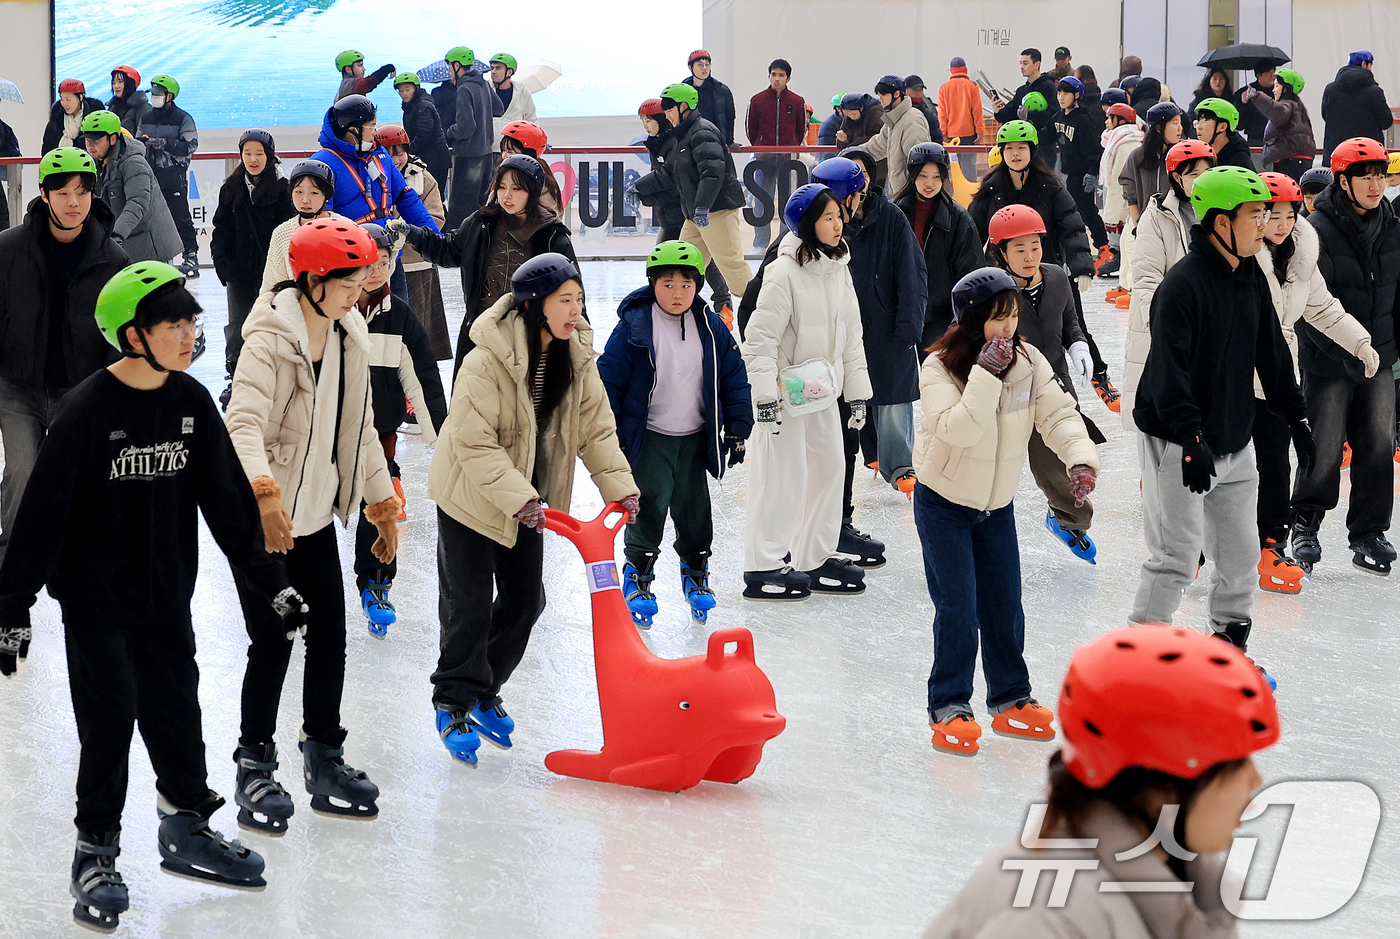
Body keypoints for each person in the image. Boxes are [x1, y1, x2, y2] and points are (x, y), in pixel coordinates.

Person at [0, 263, 292, 930]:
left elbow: (229, 506)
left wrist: (270, 582)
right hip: (96, 600)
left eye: (192, 322)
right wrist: (12, 603)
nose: (190, 335)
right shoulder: (85, 411)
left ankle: (185, 825)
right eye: (174, 325)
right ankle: (95, 851)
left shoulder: (192, 403)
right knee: (110, 718)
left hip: (165, 597)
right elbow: (42, 512)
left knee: (176, 708)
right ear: (135, 335)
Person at [924, 625, 1278, 935]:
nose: (1255, 782)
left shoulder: (1192, 888)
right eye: (1236, 764)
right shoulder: (1046, 916)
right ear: (1160, 784)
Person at [224, 217, 401, 831]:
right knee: (273, 640)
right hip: (266, 525)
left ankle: (323, 754)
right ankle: (253, 764)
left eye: (361, 282)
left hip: (318, 519)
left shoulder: (350, 335)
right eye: (347, 283)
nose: (358, 293)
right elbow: (242, 424)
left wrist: (383, 506)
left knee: (329, 637)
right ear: (312, 280)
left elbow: (362, 432)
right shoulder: (268, 340)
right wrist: (264, 496)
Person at [429, 254, 638, 765]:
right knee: (469, 606)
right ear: (533, 305)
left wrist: (620, 488)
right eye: (565, 300)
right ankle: (452, 700)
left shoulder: (576, 357)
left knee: (526, 601)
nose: (575, 310)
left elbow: (596, 429)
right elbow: (473, 442)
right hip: (470, 497)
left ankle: (483, 689)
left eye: (579, 300)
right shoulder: (486, 360)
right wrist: (520, 497)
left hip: (527, 499)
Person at [1130, 166, 1313, 687]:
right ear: (1220, 222)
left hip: (1234, 438)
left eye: (1267, 213)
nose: (1265, 224)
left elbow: (1271, 353)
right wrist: (1190, 439)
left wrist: (1296, 416)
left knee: (1240, 556)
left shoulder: (1250, 274)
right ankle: (1140, 657)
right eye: (1255, 214)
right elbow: (1168, 372)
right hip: (1177, 439)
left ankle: (1227, 645)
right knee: (1177, 555)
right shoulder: (1181, 286)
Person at [914, 267, 1097, 756]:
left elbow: (1058, 415)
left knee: (1004, 603)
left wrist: (1080, 459)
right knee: (958, 605)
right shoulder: (938, 367)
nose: (1009, 328)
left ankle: (1011, 697)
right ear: (974, 320)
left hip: (995, 507)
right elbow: (958, 430)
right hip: (944, 503)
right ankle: (949, 703)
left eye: (1013, 316)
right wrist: (985, 375)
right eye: (998, 318)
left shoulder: (1029, 361)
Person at [598, 241, 751, 627]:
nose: (677, 293)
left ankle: (696, 571)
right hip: (650, 435)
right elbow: (608, 380)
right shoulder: (635, 325)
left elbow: (733, 374)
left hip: (696, 437)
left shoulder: (710, 326)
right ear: (653, 284)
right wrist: (608, 433)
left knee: (694, 508)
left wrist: (737, 427)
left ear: (698, 286)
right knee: (648, 506)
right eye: (668, 284)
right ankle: (637, 574)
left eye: (686, 285)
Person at [741, 185, 872, 600]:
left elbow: (852, 336)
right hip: (784, 396)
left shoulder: (839, 268)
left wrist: (856, 392)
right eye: (827, 218)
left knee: (831, 468)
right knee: (784, 477)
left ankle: (813, 556)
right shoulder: (783, 272)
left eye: (838, 216)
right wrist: (764, 397)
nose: (837, 225)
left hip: (820, 391)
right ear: (807, 224)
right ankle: (763, 563)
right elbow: (759, 340)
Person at [0, 147, 128, 568]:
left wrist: (108, 391)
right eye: (63, 193)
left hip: (80, 390)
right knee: (22, 472)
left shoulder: (112, 259)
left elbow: (120, 335)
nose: (74, 202)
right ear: (44, 194)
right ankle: (13, 567)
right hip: (18, 386)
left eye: (82, 192)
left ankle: (80, 566)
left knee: (79, 479)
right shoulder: (9, 249)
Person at [1252, 171, 1376, 594]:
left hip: (1276, 379)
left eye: (1289, 215)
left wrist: (1360, 342)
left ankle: (1271, 546)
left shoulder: (1301, 255)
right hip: (1231, 377)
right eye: (1272, 215)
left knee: (1275, 465)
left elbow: (1323, 308)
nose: (1282, 224)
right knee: (1223, 465)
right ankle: (1194, 547)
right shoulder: (1237, 257)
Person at [1291, 139, 1400, 575]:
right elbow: (1307, 308)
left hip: (1380, 355)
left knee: (1378, 445)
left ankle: (1369, 532)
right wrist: (1345, 352)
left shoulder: (1392, 225)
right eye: (1365, 176)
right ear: (1342, 181)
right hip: (1328, 360)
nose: (1376, 185)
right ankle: (1305, 524)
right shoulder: (1313, 230)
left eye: (1380, 175)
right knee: (1324, 447)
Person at [968, 121, 1117, 410]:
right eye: (1009, 149)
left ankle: (1099, 375)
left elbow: (1071, 224)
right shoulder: (992, 188)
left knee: (1073, 327)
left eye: (1021, 148)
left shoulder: (1049, 186)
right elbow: (972, 233)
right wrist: (975, 275)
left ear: (1032, 151)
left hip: (1049, 273)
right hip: (1005, 279)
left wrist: (1081, 266)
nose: (1015, 154)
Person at [986, 206, 1103, 563]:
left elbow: (1071, 322)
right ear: (1002, 253)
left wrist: (1079, 345)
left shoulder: (1056, 277)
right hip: (1009, 390)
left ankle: (1067, 520)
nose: (1029, 257)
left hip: (1055, 384)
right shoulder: (992, 289)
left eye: (1035, 246)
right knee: (997, 463)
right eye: (1019, 249)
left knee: (1062, 457)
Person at [352, 223, 448, 635]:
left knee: (380, 506)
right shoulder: (333, 310)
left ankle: (376, 583)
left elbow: (424, 381)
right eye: (368, 264)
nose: (376, 272)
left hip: (378, 437)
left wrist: (442, 443)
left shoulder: (401, 318)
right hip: (328, 436)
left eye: (385, 262)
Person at [398, 153, 574, 374]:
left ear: (533, 191)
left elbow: (573, 295)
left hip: (530, 339)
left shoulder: (551, 236)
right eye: (501, 187)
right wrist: (413, 234)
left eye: (517, 188)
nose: (507, 195)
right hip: (480, 334)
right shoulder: (481, 223)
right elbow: (447, 251)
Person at [832, 154, 927, 495]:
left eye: (862, 172)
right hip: (842, 327)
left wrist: (909, 322)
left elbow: (911, 271)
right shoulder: (828, 221)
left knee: (892, 394)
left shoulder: (891, 217)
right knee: (846, 393)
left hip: (885, 323)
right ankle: (862, 456)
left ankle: (900, 464)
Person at [1121, 140, 1216, 430]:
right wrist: (1167, 329)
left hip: (1210, 332)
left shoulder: (1221, 212)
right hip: (1171, 331)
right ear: (1177, 177)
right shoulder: (1157, 216)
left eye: (1208, 173)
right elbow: (1147, 279)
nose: (1202, 180)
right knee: (1167, 420)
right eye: (1194, 174)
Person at [211, 129, 293, 386]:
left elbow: (290, 230)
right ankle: (237, 374)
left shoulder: (283, 189)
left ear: (269, 156)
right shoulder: (231, 188)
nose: (253, 159)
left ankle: (276, 373)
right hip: (240, 273)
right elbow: (221, 229)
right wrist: (223, 266)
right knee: (239, 326)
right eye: (247, 153)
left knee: (275, 323)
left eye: (259, 153)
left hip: (274, 273)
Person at [660, 83, 753, 304]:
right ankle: (679, 307)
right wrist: (640, 187)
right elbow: (672, 172)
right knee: (682, 264)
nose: (666, 115)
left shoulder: (702, 132)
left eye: (669, 109)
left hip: (716, 210)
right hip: (696, 215)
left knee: (731, 264)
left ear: (684, 106)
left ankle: (759, 307)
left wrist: (703, 205)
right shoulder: (684, 134)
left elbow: (712, 172)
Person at [894, 143, 983, 353]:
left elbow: (972, 272)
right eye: (923, 175)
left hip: (942, 316)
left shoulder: (958, 219)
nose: (929, 183)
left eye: (936, 176)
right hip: (902, 310)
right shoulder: (895, 213)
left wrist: (961, 318)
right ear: (912, 175)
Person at [310, 95, 441, 238]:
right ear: (354, 130)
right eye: (371, 126)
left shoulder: (379, 154)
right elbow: (320, 221)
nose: (375, 132)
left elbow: (406, 198)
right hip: (352, 247)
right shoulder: (321, 165)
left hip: (387, 247)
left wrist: (435, 240)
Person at [376, 124, 452, 360]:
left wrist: (408, 234)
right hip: (383, 266)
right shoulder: (371, 178)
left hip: (417, 264)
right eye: (389, 153)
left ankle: (421, 366)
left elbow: (436, 217)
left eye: (400, 153)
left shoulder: (424, 178)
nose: (395, 159)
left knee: (419, 324)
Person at [80, 110, 183, 264]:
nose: (90, 145)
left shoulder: (134, 163)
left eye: (96, 140)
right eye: (87, 140)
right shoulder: (97, 163)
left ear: (113, 139)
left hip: (152, 249)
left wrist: (116, 235)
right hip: (127, 246)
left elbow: (137, 203)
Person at [134, 76, 200, 276]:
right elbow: (136, 142)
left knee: (180, 217)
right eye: (153, 94)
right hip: (150, 176)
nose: (154, 98)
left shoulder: (183, 118)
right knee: (151, 219)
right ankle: (158, 258)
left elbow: (190, 146)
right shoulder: (146, 117)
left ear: (169, 96)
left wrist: (162, 142)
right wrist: (143, 142)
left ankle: (191, 255)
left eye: (158, 94)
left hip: (173, 177)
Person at [745, 59, 807, 250]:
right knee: (762, 200)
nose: (777, 79)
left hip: (788, 160)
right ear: (769, 76)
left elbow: (801, 129)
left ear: (788, 78)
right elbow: (751, 129)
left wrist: (791, 145)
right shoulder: (757, 100)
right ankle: (760, 243)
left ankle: (784, 241)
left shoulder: (797, 101)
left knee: (788, 201)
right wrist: (761, 145)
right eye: (773, 74)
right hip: (764, 159)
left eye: (781, 75)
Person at [1052, 76, 1112, 271]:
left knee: (1087, 212)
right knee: (1069, 213)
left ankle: (1104, 248)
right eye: (1059, 93)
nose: (1061, 97)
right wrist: (1028, 121)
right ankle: (1071, 251)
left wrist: (1092, 172)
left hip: (1082, 174)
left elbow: (1093, 149)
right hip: (1067, 174)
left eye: (1066, 93)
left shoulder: (1083, 119)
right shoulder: (1060, 116)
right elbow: (1045, 134)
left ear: (1076, 95)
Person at [442, 47, 504, 228]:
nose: (449, 70)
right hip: (486, 153)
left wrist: (449, 132)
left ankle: (458, 244)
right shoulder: (482, 83)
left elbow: (466, 127)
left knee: (461, 210)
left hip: (469, 155)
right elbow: (499, 108)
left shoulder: (464, 88)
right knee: (481, 206)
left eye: (449, 65)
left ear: (457, 65)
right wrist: (483, 112)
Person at [261, 159, 335, 291]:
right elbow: (271, 287)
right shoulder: (282, 234)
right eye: (299, 192)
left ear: (326, 195)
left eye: (314, 193)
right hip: (293, 303)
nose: (305, 200)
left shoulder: (345, 229)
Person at [860, 75, 932, 200]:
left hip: (911, 195)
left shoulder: (911, 121)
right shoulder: (894, 120)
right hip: (899, 193)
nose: (880, 100)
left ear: (897, 94)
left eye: (883, 95)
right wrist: (853, 154)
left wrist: (916, 196)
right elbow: (878, 146)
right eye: (879, 95)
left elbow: (920, 162)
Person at [1119, 101, 1185, 231]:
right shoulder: (1138, 156)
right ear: (1159, 128)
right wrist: (1138, 226)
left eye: (1180, 123)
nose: (1180, 128)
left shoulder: (1184, 153)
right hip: (1147, 226)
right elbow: (1130, 194)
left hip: (1178, 226)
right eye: (1175, 123)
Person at [1099, 101, 1144, 291]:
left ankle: (1130, 287)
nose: (1106, 122)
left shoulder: (1125, 143)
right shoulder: (1120, 139)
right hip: (1131, 201)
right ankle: (1126, 285)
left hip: (1130, 203)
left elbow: (1120, 181)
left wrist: (1114, 213)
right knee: (1127, 244)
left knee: (1130, 245)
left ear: (1121, 120)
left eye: (1110, 118)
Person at [1320, 50, 1392, 164]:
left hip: (1337, 152)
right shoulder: (1374, 91)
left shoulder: (1330, 89)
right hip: (1367, 154)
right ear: (1364, 64)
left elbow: (1325, 115)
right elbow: (1386, 121)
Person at [1242, 67, 1315, 181]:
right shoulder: (1296, 106)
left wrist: (1256, 95)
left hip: (1290, 160)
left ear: (1285, 88)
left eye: (1276, 86)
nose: (1273, 90)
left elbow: (1276, 110)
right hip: (1295, 160)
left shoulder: (1287, 105)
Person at [394, 72, 451, 193]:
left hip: (435, 159)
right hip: (426, 158)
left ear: (416, 88)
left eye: (407, 89)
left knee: (433, 195)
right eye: (401, 91)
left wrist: (407, 152)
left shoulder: (423, 106)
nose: (404, 93)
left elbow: (424, 134)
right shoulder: (410, 107)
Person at [498, 120, 564, 212]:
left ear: (527, 154)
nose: (504, 156)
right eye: (503, 150)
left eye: (510, 152)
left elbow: (547, 215)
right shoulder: (503, 174)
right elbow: (490, 208)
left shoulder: (542, 182)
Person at [992, 48, 1058, 141]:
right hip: (1023, 140)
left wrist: (1030, 115)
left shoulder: (1049, 87)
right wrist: (998, 111)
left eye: (1025, 63)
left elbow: (1055, 114)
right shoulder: (1022, 90)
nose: (1022, 67)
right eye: (1020, 63)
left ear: (1037, 64)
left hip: (1043, 141)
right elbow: (1011, 113)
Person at [937, 58, 983, 183]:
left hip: (951, 137)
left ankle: (954, 192)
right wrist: (980, 132)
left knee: (954, 168)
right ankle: (970, 192)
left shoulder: (944, 88)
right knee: (969, 168)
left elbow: (942, 114)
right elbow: (977, 112)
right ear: (965, 69)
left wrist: (943, 133)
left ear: (951, 71)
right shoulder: (972, 86)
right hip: (969, 135)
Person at [683, 50, 737, 147]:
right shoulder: (682, 91)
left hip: (716, 143)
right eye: (700, 65)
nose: (704, 68)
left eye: (707, 64)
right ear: (690, 67)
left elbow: (730, 118)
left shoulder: (722, 90)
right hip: (689, 144)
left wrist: (729, 141)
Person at [489, 53, 536, 155]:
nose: (493, 71)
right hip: (489, 150)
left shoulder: (522, 90)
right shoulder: (486, 89)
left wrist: (535, 142)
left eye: (498, 68)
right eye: (492, 68)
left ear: (509, 72)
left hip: (514, 150)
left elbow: (531, 119)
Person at [43, 79, 105, 153]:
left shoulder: (95, 117)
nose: (64, 103)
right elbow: (47, 147)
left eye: (68, 99)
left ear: (80, 97)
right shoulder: (57, 118)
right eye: (62, 99)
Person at [1193, 97, 1254, 170]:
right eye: (1198, 122)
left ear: (1222, 127)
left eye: (1205, 121)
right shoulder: (1199, 157)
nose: (1199, 127)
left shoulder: (1239, 160)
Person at [1232, 60, 1278, 156]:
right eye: (1268, 73)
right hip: (1255, 139)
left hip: (1277, 139)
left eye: (1274, 72)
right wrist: (1242, 104)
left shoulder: (1278, 91)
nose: (1273, 76)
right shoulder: (1245, 92)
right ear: (1258, 75)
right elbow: (1238, 124)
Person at [105, 66, 150, 135]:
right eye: (114, 83)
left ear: (130, 84)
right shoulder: (112, 106)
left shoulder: (142, 107)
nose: (116, 86)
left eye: (120, 82)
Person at [904, 75, 943, 143]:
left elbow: (937, 138)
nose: (919, 93)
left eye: (921, 90)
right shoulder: (897, 113)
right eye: (916, 90)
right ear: (905, 90)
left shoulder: (929, 115)